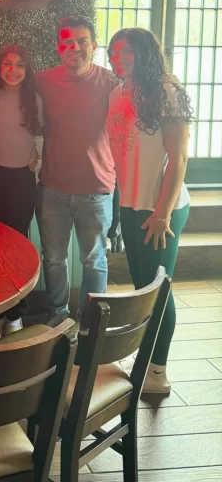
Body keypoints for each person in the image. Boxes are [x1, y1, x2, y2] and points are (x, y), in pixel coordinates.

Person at [107, 27, 192, 394]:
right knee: (142, 287)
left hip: (160, 208)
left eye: (128, 52)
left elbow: (179, 158)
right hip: (130, 203)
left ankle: (157, 371)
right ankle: (146, 356)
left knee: (158, 289)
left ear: (146, 53)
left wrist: (162, 214)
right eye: (114, 52)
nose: (120, 59)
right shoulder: (117, 93)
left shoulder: (166, 89)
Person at [36, 15, 117, 327]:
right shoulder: (42, 80)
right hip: (53, 189)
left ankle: (91, 322)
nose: (75, 48)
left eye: (82, 41)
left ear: (94, 45)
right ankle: (58, 316)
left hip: (96, 189)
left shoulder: (111, 83)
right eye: (68, 42)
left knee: (94, 259)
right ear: (59, 48)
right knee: (54, 258)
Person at [0, 44, 43, 342]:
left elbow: (42, 136)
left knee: (17, 249)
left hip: (22, 180)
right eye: (7, 64)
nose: (13, 70)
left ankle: (15, 315)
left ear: (27, 70)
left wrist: (39, 157)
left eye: (19, 65)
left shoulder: (34, 100)